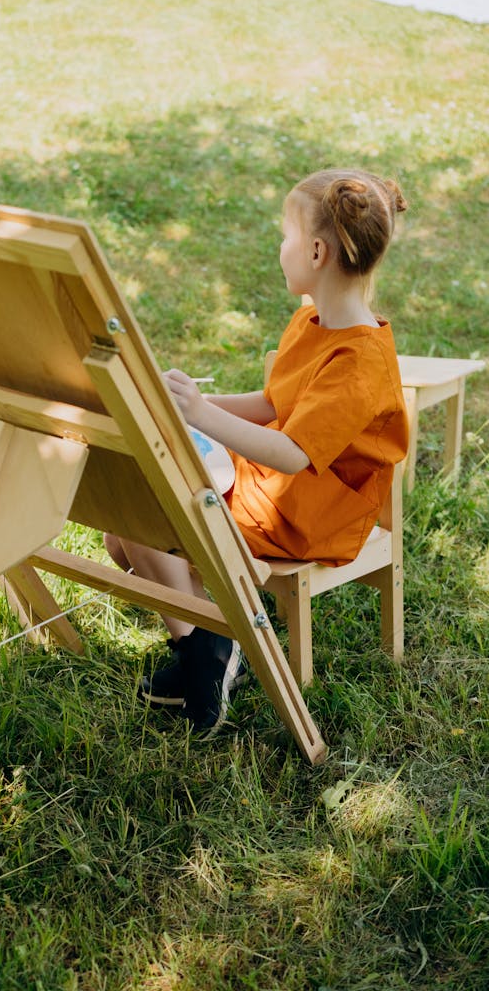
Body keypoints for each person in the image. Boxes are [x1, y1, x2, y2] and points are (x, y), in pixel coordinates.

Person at [105, 167, 410, 734]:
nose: (281, 246)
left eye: (285, 235)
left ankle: (210, 649)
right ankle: (207, 642)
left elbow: (292, 453)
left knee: (144, 528)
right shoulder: (311, 319)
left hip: (312, 511)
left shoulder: (360, 362)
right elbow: (273, 403)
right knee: (120, 532)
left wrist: (201, 414)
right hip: (276, 486)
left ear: (317, 251)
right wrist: (187, 402)